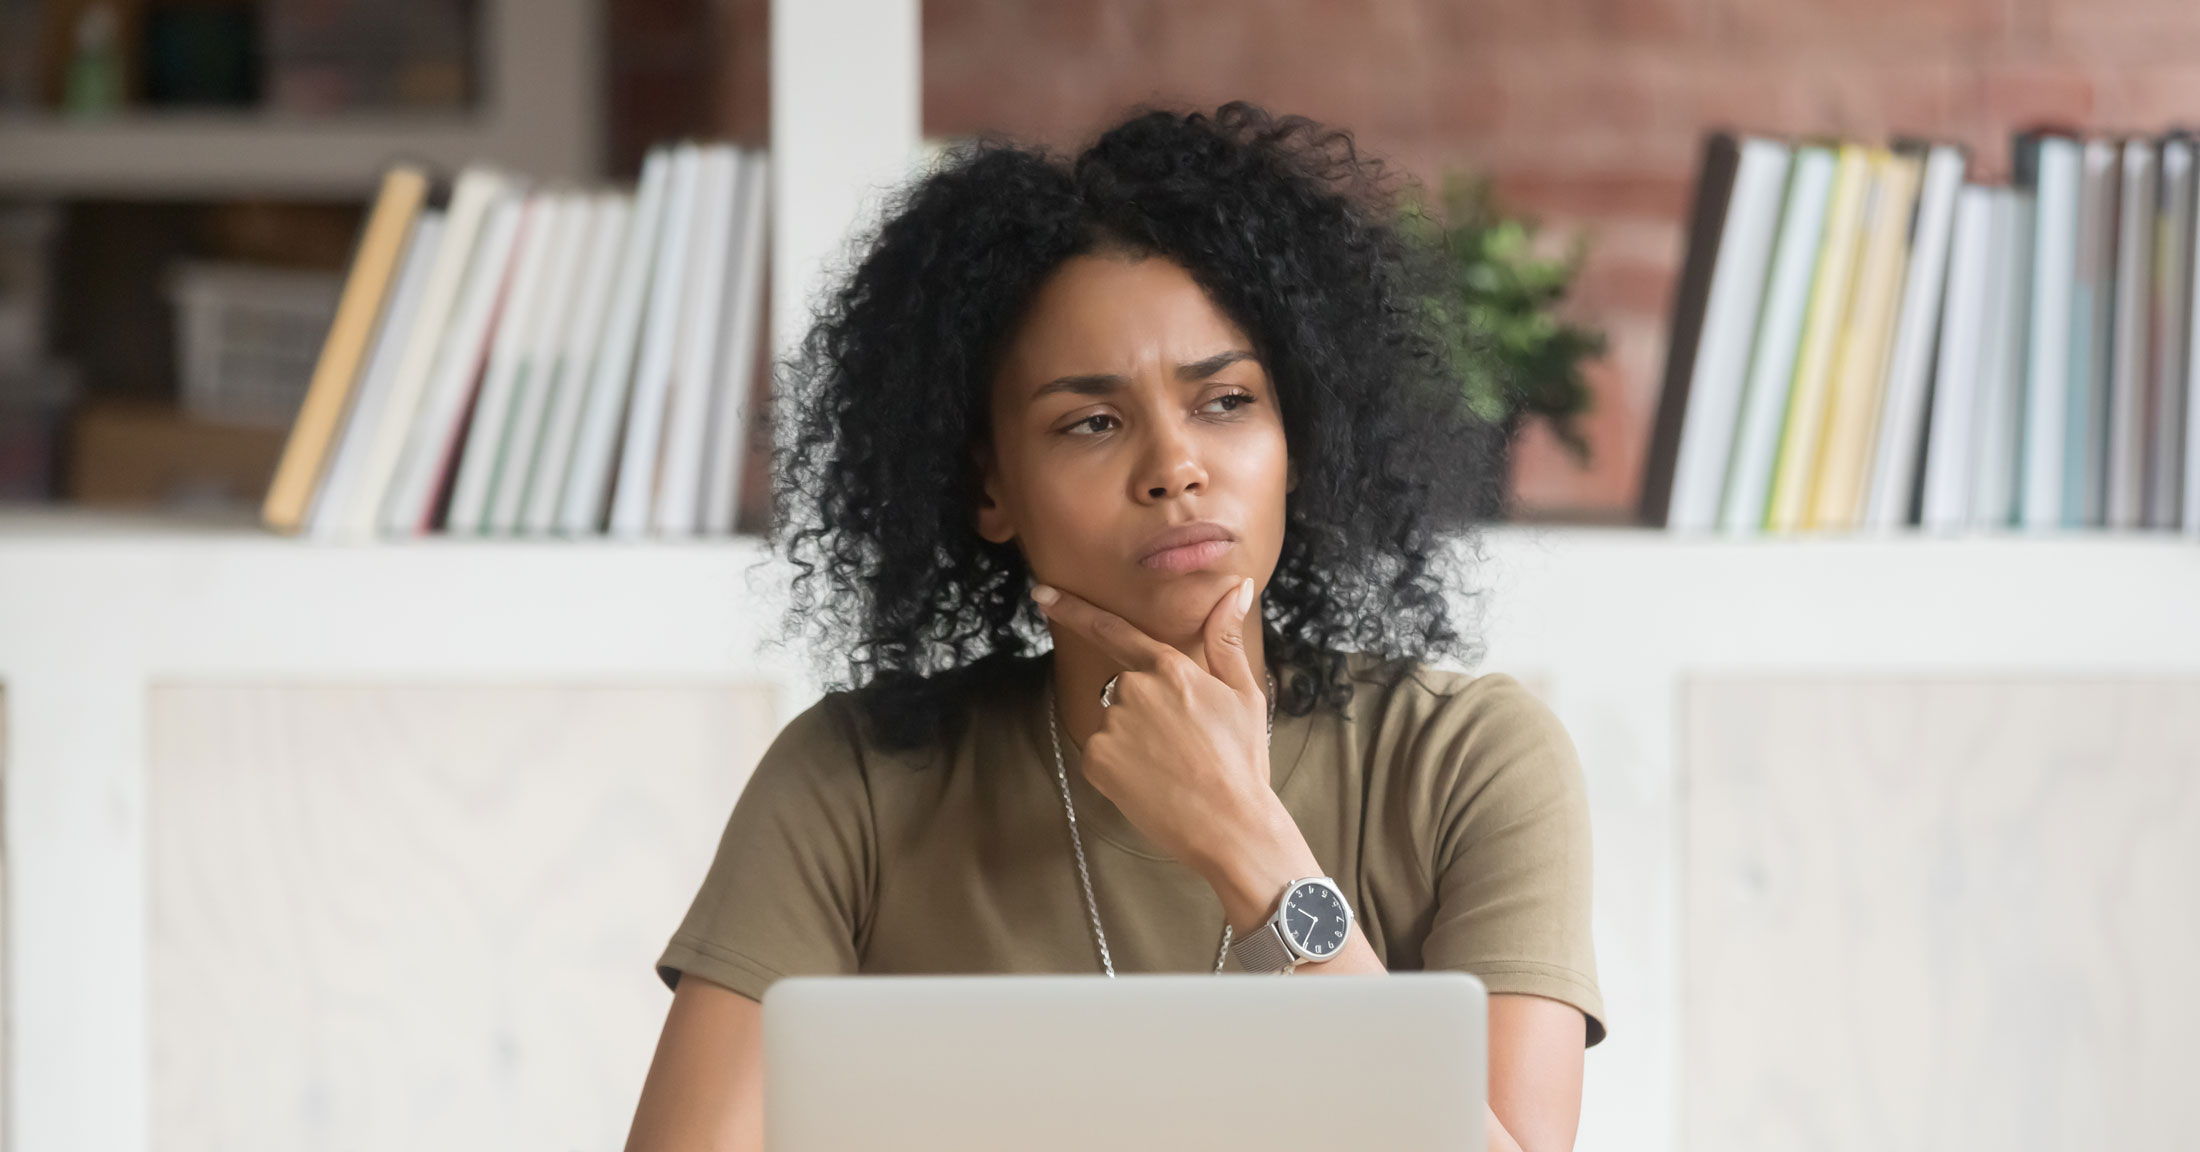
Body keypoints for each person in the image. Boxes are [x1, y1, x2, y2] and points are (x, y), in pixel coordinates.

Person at [625, 101, 1604, 1152]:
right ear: (990, 487)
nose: (1173, 466)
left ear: (1298, 440)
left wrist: (1250, 850)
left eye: (1226, 401)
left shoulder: (1468, 763)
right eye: (1090, 422)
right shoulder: (853, 783)